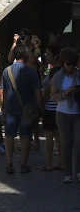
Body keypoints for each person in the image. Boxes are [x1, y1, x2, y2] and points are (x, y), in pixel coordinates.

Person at [0, 44, 43, 174]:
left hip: (10, 108)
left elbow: (1, 92)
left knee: (9, 136)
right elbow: (38, 93)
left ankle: (9, 163)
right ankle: (24, 164)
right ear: (25, 55)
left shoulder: (7, 71)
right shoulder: (31, 71)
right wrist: (40, 109)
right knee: (25, 136)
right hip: (27, 109)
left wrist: (2, 108)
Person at [50, 47, 80, 184]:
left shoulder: (79, 75)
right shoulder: (58, 76)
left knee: (78, 143)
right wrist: (64, 94)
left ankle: (78, 172)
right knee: (67, 144)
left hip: (77, 113)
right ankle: (67, 173)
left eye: (73, 64)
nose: (71, 67)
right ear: (63, 63)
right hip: (63, 113)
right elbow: (53, 96)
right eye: (68, 64)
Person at [7, 29, 42, 149]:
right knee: (21, 111)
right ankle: (25, 137)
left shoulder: (34, 49)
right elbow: (10, 59)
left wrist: (26, 46)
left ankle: (36, 136)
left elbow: (32, 59)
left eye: (25, 37)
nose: (23, 38)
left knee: (32, 111)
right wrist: (15, 42)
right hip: (19, 81)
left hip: (31, 81)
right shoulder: (19, 48)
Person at [41, 44, 63, 172]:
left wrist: (42, 104)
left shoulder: (55, 71)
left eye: (48, 54)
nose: (46, 56)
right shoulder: (60, 70)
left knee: (50, 135)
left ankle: (49, 163)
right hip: (57, 107)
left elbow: (48, 88)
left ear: (55, 57)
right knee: (57, 135)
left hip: (51, 106)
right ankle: (61, 161)